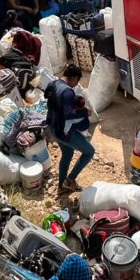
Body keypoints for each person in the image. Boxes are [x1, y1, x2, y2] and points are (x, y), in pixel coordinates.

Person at [46, 64, 95, 192]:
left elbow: (47, 96)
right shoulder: (68, 91)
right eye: (77, 81)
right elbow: (68, 115)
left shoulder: (54, 83)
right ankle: (70, 179)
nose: (76, 84)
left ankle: (62, 186)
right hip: (63, 131)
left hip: (52, 127)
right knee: (89, 152)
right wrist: (84, 112)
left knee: (67, 153)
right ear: (73, 78)